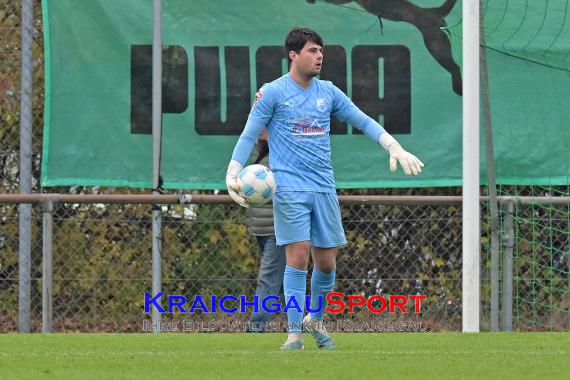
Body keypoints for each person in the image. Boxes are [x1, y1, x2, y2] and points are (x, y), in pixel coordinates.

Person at [226, 27, 423, 350]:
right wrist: (233, 172)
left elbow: (363, 120)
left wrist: (394, 146)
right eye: (313, 50)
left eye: (321, 51)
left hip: (323, 188)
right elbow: (249, 134)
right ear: (294, 55)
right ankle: (293, 333)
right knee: (297, 257)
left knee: (327, 263)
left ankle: (315, 318)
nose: (320, 56)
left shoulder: (328, 92)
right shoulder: (272, 92)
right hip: (288, 189)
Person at [246, 129, 287, 332]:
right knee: (280, 283)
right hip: (261, 229)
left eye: (265, 128)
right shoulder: (260, 158)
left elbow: (285, 191)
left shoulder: (282, 159)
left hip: (278, 230)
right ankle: (306, 321)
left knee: (269, 277)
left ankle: (256, 327)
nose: (259, 132)